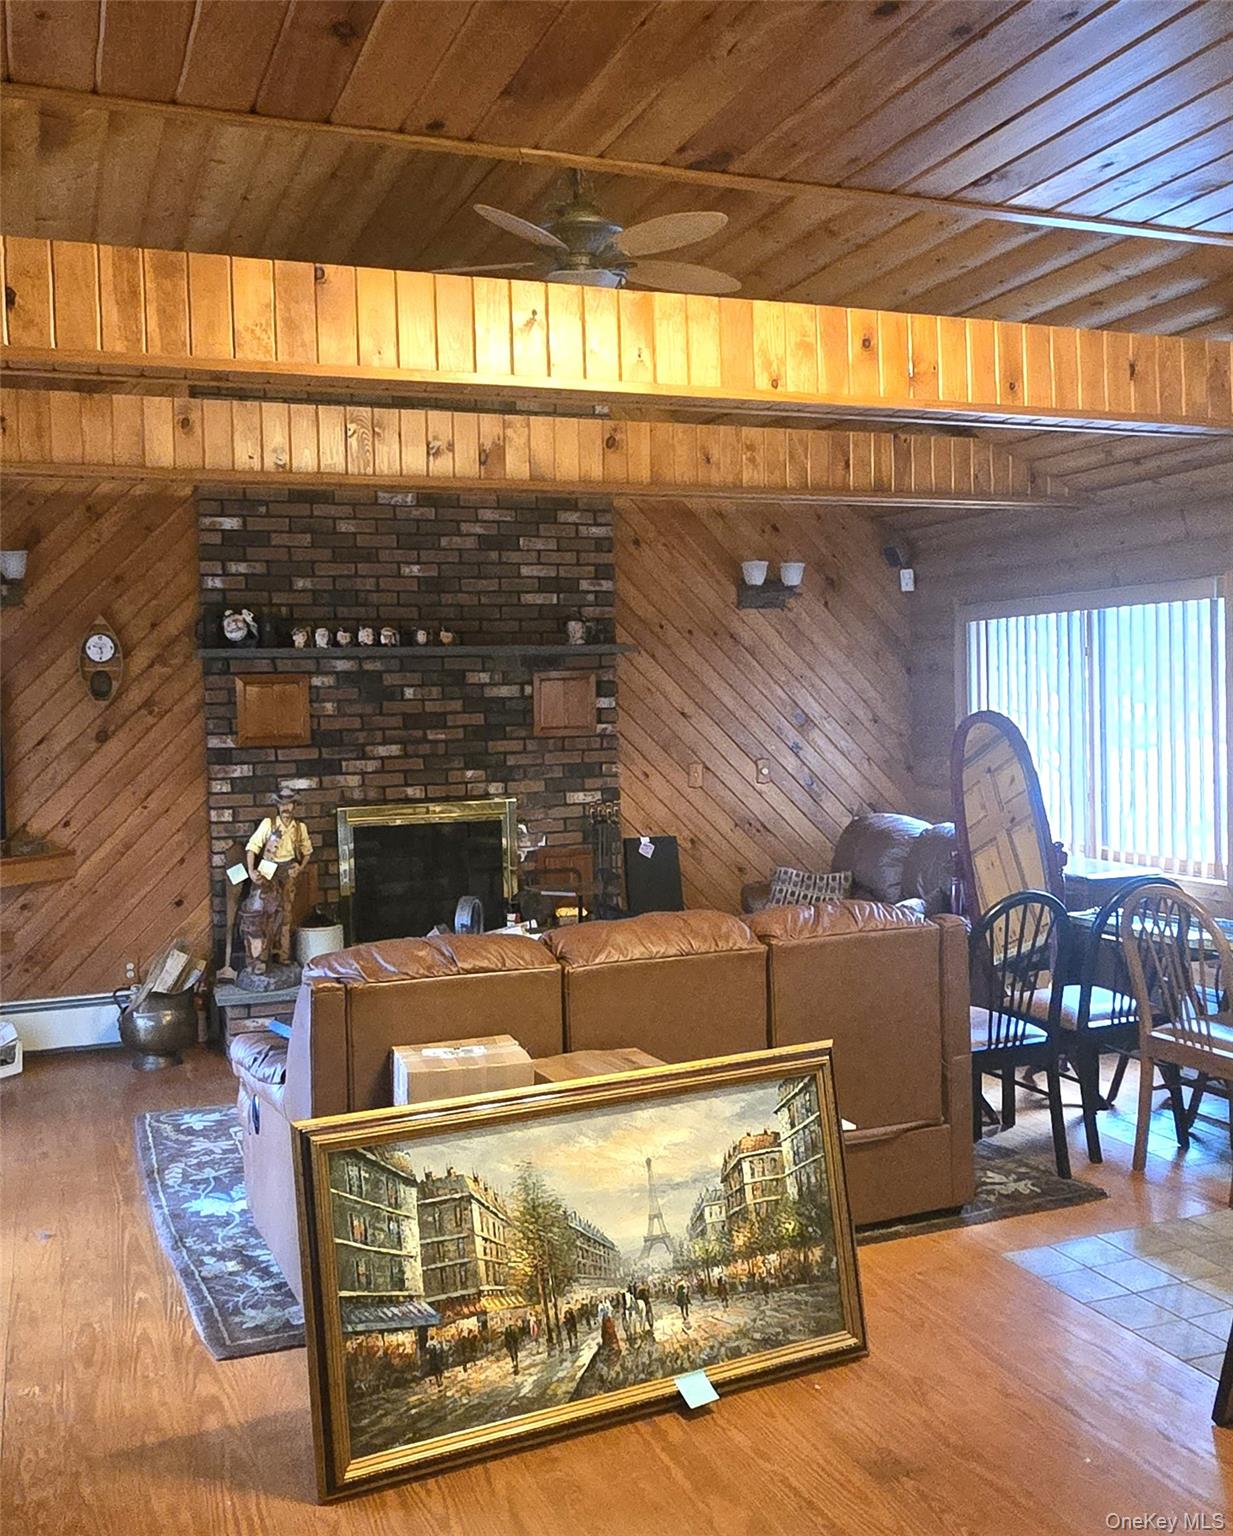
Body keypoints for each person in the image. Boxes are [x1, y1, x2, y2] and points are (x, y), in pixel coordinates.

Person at [239, 785, 313, 976]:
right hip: (268, 868)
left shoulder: (300, 828)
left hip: (288, 869)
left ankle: (283, 955)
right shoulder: (268, 824)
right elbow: (252, 847)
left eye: (289, 804)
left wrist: (300, 867)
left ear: (294, 806)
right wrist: (251, 870)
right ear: (278, 807)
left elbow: (307, 852)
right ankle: (259, 957)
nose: (286, 808)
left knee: (286, 913)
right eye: (282, 805)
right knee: (260, 912)